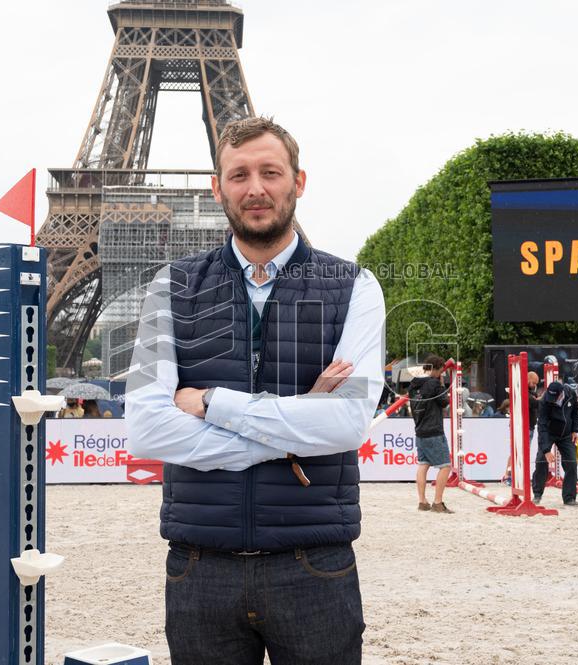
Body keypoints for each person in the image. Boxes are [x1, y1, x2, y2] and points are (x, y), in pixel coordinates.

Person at [125, 117, 385, 664]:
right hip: (201, 566)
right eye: (239, 174)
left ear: (298, 181)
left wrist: (213, 403)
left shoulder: (357, 287)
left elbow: (346, 424)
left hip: (313, 563)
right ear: (217, 187)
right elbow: (146, 429)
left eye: (271, 171)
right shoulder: (169, 286)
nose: (256, 188)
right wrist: (297, 428)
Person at [408, 354, 452, 513]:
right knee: (446, 466)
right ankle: (438, 503)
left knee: (423, 464)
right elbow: (444, 402)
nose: (441, 374)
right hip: (433, 430)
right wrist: (441, 385)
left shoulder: (413, 384)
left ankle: (422, 501)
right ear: (435, 369)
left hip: (419, 430)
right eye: (440, 371)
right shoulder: (434, 383)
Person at [532, 381, 578, 506]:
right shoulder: (544, 401)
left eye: (555, 397)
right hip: (549, 432)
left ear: (561, 393)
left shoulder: (571, 394)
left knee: (571, 463)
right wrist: (546, 450)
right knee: (541, 461)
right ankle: (537, 494)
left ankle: (569, 498)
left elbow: (576, 412)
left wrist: (575, 430)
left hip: (566, 434)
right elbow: (542, 426)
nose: (552, 400)